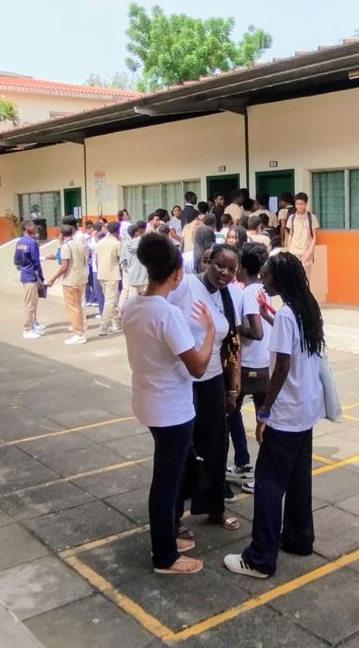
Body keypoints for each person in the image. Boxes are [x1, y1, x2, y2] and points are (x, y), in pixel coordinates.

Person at [223, 252, 325, 579]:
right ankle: (299, 538)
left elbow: (281, 365)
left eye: (266, 275)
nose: (263, 280)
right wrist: (271, 319)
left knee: (268, 483)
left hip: (286, 412)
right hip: (306, 408)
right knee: (298, 479)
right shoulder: (305, 307)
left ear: (279, 278)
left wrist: (265, 410)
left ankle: (260, 558)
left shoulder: (285, 315)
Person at [122, 233, 215, 575]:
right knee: (166, 481)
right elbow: (199, 366)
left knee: (170, 476)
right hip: (171, 410)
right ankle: (164, 555)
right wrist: (207, 332)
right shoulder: (167, 314)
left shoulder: (131, 306)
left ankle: (168, 537)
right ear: (177, 274)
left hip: (148, 402)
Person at [169, 244, 243, 532]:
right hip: (183, 380)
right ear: (207, 261)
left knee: (216, 446)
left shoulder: (228, 296)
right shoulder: (185, 286)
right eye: (219, 266)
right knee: (182, 448)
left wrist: (232, 388)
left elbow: (232, 343)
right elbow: (160, 313)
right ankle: (173, 517)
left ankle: (214, 507)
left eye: (231, 269)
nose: (224, 273)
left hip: (212, 380)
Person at [226, 243, 271, 490]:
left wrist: (233, 327)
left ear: (242, 267)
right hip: (264, 364)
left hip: (251, 366)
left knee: (231, 411)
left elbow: (257, 331)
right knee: (263, 418)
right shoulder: (266, 289)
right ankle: (246, 463)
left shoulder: (248, 293)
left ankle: (249, 467)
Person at [46, 222, 89, 345]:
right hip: (81, 279)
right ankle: (81, 331)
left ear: (61, 234)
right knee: (78, 306)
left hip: (71, 280)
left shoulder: (66, 246)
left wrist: (53, 279)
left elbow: (64, 266)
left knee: (73, 308)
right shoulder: (79, 244)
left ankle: (79, 334)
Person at [14, 221, 45, 339]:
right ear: (26, 228)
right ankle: (27, 329)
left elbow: (16, 260)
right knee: (30, 304)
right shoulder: (31, 243)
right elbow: (36, 261)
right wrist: (40, 275)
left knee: (32, 302)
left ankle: (32, 325)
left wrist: (23, 269)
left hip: (25, 274)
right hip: (31, 275)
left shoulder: (19, 242)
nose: (34, 227)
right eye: (32, 225)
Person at [96, 221, 123, 336]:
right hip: (112, 274)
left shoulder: (100, 242)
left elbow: (97, 260)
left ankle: (116, 323)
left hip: (101, 274)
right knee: (110, 302)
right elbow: (121, 259)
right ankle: (103, 327)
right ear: (117, 231)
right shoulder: (117, 244)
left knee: (111, 301)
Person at [285, 193, 319, 279]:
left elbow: (315, 237)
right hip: (294, 252)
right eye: (297, 204)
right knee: (293, 278)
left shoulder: (312, 217)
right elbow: (290, 235)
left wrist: (309, 252)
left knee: (305, 279)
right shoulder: (292, 217)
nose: (299, 206)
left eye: (301, 204)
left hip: (306, 253)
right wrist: (288, 251)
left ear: (306, 204)